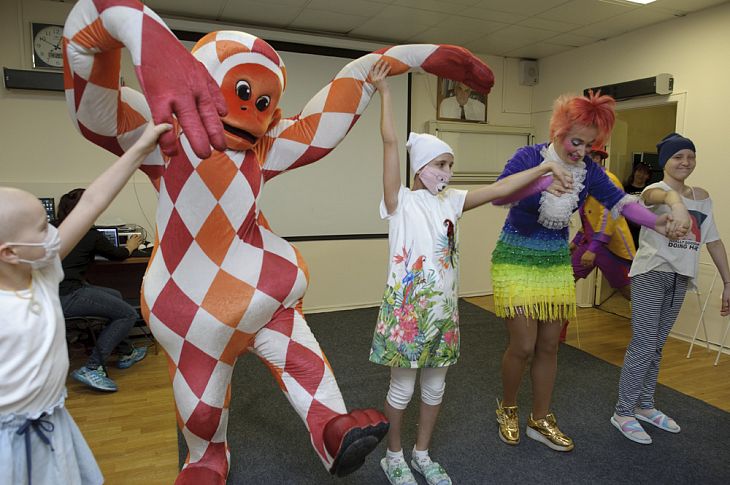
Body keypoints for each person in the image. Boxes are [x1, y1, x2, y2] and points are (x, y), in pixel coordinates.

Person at [368, 61, 572, 485]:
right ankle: (394, 456)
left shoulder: (453, 201)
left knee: (435, 389)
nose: (444, 172)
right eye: (438, 164)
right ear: (421, 165)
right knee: (402, 389)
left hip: (443, 314)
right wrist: (386, 95)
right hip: (407, 313)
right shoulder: (400, 202)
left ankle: (422, 454)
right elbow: (390, 145)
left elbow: (501, 189)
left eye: (449, 165)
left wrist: (543, 169)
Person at [489, 91, 687, 452]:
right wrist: (543, 180)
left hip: (553, 261)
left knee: (550, 344)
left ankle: (540, 418)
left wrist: (661, 225)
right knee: (523, 344)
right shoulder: (529, 157)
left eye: (588, 144)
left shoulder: (589, 172)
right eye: (575, 141)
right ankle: (508, 408)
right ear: (558, 130)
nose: (580, 150)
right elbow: (500, 196)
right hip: (515, 256)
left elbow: (623, 203)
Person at [0, 121, 170, 485]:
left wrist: (140, 148)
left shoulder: (43, 273)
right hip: (9, 443)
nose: (54, 233)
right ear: (11, 252)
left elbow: (92, 201)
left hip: (53, 420)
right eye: (42, 228)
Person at [611, 133, 730, 444]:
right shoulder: (655, 190)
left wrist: (728, 282)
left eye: (690, 156)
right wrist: (674, 201)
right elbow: (653, 199)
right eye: (678, 157)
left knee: (658, 345)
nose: (685, 162)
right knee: (644, 344)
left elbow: (713, 240)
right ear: (665, 161)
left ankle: (645, 405)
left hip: (681, 276)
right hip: (652, 273)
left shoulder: (702, 197)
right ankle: (623, 411)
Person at [57, 188, 148, 393]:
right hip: (68, 295)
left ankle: (126, 351)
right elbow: (119, 254)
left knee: (115, 297)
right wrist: (132, 245)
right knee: (128, 313)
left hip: (49, 294)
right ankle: (92, 367)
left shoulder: (51, 228)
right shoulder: (89, 234)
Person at [624, 161, 653, 246]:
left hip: (644, 229)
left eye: (645, 173)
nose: (641, 175)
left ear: (648, 176)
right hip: (627, 228)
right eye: (639, 171)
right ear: (634, 172)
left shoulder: (650, 191)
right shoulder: (624, 188)